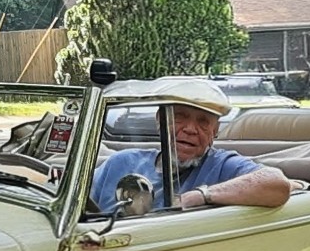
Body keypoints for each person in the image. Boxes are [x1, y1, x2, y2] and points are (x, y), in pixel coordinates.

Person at [90, 78, 292, 214]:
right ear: (160, 121)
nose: (190, 129)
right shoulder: (120, 162)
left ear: (214, 132)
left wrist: (200, 196)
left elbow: (276, 184)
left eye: (203, 122)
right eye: (180, 117)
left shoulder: (222, 166)